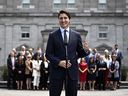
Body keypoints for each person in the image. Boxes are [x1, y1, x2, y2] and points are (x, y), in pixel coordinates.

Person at [45, 10, 89, 96]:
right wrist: (59, 62)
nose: (63, 20)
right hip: (56, 72)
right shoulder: (52, 35)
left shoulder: (76, 35)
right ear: (58, 20)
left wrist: (86, 50)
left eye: (65, 18)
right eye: (61, 18)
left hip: (72, 72)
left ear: (69, 20)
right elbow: (48, 54)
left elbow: (80, 53)